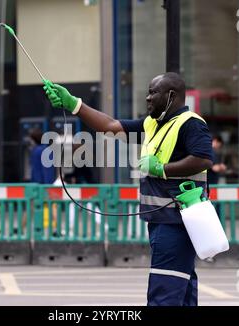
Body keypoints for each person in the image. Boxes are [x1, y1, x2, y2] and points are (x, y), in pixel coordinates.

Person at [43, 72, 213, 306]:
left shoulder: (190, 123)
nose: (148, 98)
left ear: (172, 95)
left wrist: (161, 168)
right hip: (162, 220)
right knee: (181, 292)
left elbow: (203, 159)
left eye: (154, 92)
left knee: (164, 295)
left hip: (176, 222)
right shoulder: (153, 124)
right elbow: (111, 127)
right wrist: (74, 104)